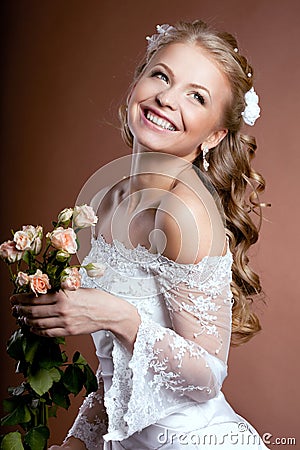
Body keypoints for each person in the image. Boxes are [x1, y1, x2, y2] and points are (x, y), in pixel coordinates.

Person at [12, 20, 269, 449]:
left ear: (215, 135)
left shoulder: (182, 210)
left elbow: (207, 377)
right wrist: (77, 442)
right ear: (137, 83)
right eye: (161, 76)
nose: (167, 98)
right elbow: (119, 371)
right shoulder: (108, 200)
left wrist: (116, 315)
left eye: (196, 96)